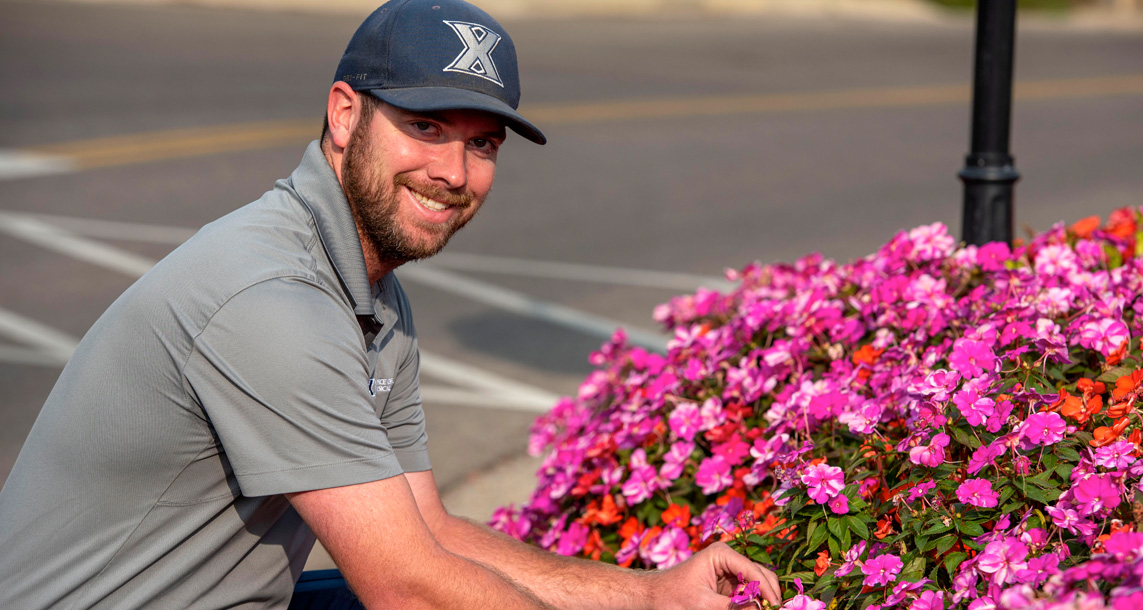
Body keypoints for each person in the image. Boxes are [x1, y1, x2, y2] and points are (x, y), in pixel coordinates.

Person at [0, 0, 782, 608]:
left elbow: (430, 536)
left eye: (482, 144)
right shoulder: (273, 299)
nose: (453, 170)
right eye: (425, 126)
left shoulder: (370, 291)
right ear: (346, 115)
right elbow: (406, 589)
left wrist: (649, 595)